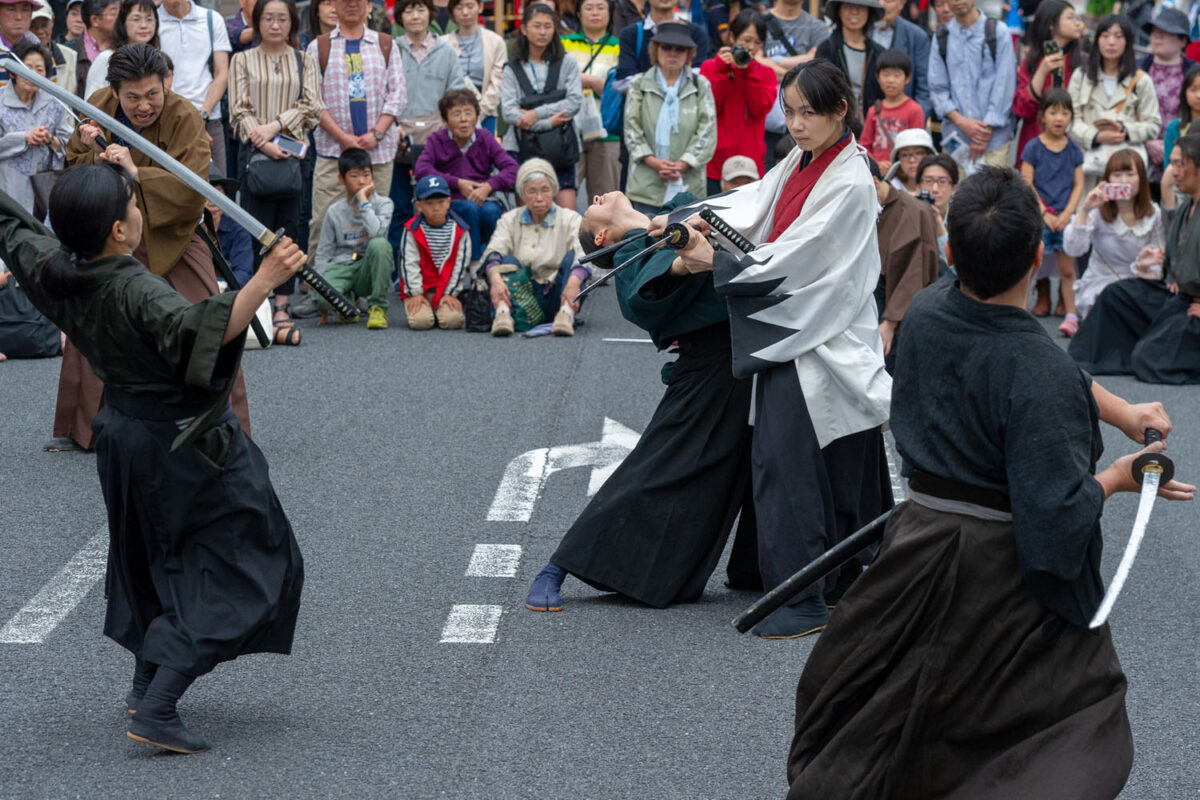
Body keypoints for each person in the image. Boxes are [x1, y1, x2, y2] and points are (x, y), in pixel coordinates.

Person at [785, 165, 1192, 800]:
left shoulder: (925, 312)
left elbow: (1023, 363)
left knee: (882, 711)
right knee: (1067, 721)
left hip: (917, 544)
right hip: (995, 572)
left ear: (950, 251)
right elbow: (1055, 530)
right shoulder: (1036, 370)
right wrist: (1115, 476)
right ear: (1039, 255)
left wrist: (1120, 410)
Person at [0, 164, 307, 754]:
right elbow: (201, 335)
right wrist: (265, 278)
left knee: (150, 556)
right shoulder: (132, 287)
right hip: (182, 442)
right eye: (133, 207)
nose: (141, 214)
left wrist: (108, 174)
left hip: (121, 434)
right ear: (118, 230)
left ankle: (146, 682)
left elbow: (13, 227)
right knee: (252, 562)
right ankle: (161, 703)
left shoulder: (56, 268)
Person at [660, 59, 893, 637]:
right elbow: (755, 203)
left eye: (808, 112)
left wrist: (713, 257)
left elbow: (801, 259)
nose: (796, 123)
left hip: (823, 331)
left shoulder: (850, 178)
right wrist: (680, 220)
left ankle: (799, 598)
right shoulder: (807, 160)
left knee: (784, 460)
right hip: (811, 328)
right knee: (831, 462)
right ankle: (836, 582)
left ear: (841, 110)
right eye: (788, 112)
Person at [524, 190, 758, 613]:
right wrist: (683, 247)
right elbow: (662, 276)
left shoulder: (668, 217)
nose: (596, 195)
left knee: (747, 467)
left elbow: (709, 203)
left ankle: (759, 570)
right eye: (592, 208)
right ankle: (559, 565)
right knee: (659, 466)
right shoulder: (632, 251)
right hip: (710, 369)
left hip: (747, 354)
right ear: (603, 237)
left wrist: (675, 221)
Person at [63, 43, 252, 449]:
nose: (144, 105)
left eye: (152, 94)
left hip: (176, 232)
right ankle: (88, 427)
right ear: (115, 92)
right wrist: (92, 154)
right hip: (111, 231)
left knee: (210, 318)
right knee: (96, 317)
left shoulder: (183, 115)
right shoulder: (96, 106)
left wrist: (136, 171)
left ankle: (223, 421)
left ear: (165, 83)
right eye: (132, 97)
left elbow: (192, 188)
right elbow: (72, 166)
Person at [1069, 131, 1200, 384]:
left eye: (1179, 164)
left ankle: (1157, 344)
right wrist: (1164, 263)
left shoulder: (1156, 212)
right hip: (1178, 296)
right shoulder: (1187, 207)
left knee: (1146, 358)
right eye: (1171, 164)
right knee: (1116, 295)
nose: (1172, 171)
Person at [229, 0, 322, 330]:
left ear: (292, 23)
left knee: (290, 227)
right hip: (254, 155)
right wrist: (264, 140)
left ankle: (283, 302)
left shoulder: (304, 60)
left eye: (283, 18)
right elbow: (238, 111)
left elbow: (312, 106)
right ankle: (260, 301)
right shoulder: (242, 59)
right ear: (257, 21)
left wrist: (276, 127)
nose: (275, 24)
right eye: (268, 18)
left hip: (294, 155)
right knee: (256, 225)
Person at [304, 0, 405, 265]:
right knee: (322, 221)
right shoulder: (319, 46)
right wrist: (343, 138)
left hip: (378, 154)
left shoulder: (385, 44)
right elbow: (313, 100)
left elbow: (397, 94)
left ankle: (369, 291)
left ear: (368, 5)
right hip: (332, 152)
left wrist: (377, 133)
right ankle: (320, 290)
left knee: (373, 222)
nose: (352, 3)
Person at [387, 0, 465, 243]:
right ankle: (398, 270)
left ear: (430, 13)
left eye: (420, 9)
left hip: (437, 141)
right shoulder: (391, 49)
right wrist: (392, 125)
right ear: (400, 17)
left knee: (438, 206)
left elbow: (457, 94)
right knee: (398, 206)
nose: (415, 16)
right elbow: (382, 91)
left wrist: (446, 127)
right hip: (399, 139)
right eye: (408, 10)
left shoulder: (446, 51)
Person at [483, 157, 586, 337]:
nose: (539, 198)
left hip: (557, 292)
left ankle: (566, 314)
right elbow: (494, 250)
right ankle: (503, 314)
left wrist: (574, 282)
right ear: (522, 195)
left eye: (545, 190)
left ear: (554, 191)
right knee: (506, 261)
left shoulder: (570, 219)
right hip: (521, 294)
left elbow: (584, 252)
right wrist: (495, 279)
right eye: (532, 191)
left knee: (575, 261)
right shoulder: (509, 219)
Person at [413, 87, 517, 262]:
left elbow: (512, 169)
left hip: (483, 198)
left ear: (476, 116)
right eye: (456, 114)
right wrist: (457, 183)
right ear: (445, 119)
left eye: (468, 113)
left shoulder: (485, 138)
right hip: (450, 201)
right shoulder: (436, 140)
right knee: (469, 209)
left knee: (492, 212)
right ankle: (475, 265)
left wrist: (489, 186)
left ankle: (496, 262)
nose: (463, 120)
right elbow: (421, 170)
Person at [623, 21, 715, 212]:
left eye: (680, 49)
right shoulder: (639, 83)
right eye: (666, 47)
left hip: (688, 185)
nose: (673, 53)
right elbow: (631, 128)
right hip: (646, 184)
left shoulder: (700, 84)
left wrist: (684, 163)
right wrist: (651, 161)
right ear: (655, 50)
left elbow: (707, 130)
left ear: (689, 53)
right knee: (646, 238)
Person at [1064, 148, 1164, 319]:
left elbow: (1160, 255)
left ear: (1141, 178)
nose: (1124, 181)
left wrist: (1145, 265)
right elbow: (1073, 249)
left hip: (1140, 282)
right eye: (1117, 175)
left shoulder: (1153, 213)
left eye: (1130, 174)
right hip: (1102, 284)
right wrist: (1084, 210)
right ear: (1108, 179)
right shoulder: (1097, 212)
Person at [499, 3, 581, 210]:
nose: (543, 32)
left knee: (568, 215)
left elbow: (574, 102)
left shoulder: (567, 63)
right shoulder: (512, 69)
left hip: (560, 146)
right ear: (524, 29)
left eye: (548, 26)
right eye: (537, 26)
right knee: (527, 215)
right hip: (520, 148)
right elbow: (509, 112)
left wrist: (535, 114)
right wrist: (549, 121)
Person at [1067, 15, 1161, 191]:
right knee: (1086, 213)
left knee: (1121, 215)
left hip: (1125, 171)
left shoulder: (1141, 81)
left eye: (1118, 36)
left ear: (1128, 41)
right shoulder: (1081, 76)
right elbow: (1070, 120)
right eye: (1105, 35)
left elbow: (1153, 124)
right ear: (1097, 39)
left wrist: (1125, 131)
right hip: (1085, 166)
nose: (1111, 42)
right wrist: (1095, 137)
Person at [1020, 89, 1084, 336]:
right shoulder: (1033, 147)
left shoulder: (1074, 150)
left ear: (1071, 117)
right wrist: (1044, 213)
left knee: (1068, 270)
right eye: (1053, 111)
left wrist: (1068, 213)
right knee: (1030, 267)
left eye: (1065, 112)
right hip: (1040, 217)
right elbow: (1027, 183)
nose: (1059, 117)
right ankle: (1019, 314)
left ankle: (1071, 317)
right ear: (1042, 116)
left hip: (1065, 218)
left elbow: (1078, 184)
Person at [927, 0, 1017, 170]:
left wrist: (983, 132)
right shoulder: (941, 37)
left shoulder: (998, 32)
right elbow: (937, 89)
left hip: (994, 140)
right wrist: (962, 122)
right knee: (955, 195)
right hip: (956, 139)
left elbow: (1004, 86)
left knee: (993, 195)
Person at [868, 156, 939, 370]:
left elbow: (917, 273)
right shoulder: (860, 207)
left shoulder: (915, 211)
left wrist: (890, 321)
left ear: (873, 183)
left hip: (897, 309)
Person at [699, 9, 776, 196]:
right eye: (746, 40)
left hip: (750, 165)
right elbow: (709, 108)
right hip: (715, 162)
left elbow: (759, 110)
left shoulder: (766, 74)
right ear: (732, 37)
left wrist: (747, 72)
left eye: (757, 42)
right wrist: (721, 70)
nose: (750, 47)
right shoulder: (711, 67)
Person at [313, 147, 393, 328]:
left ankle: (378, 307)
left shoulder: (384, 204)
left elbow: (376, 233)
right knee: (322, 298)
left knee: (380, 245)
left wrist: (364, 202)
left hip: (368, 267)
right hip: (342, 266)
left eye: (366, 175)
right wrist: (319, 286)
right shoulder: (334, 211)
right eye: (354, 176)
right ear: (341, 179)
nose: (362, 181)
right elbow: (324, 251)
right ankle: (348, 299)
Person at [157, 0, 231, 176]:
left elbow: (222, 74)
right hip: (166, 121)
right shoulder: (151, 21)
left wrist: (201, 117)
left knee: (216, 191)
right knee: (170, 186)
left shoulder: (212, 19)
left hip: (209, 118)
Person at [0, 40, 72, 213]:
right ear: (12, 72)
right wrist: (24, 138)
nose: (33, 74)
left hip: (46, 189)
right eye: (27, 68)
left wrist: (50, 140)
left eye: (39, 70)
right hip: (8, 188)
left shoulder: (54, 102)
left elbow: (69, 143)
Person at [1013, 0, 1082, 167]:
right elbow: (1022, 109)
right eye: (1070, 18)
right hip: (1035, 145)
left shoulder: (1081, 62)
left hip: (1070, 147)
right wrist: (1042, 71)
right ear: (1052, 24)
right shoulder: (1031, 62)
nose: (1077, 23)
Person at [563, 0, 620, 197]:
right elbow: (557, 82)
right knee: (565, 197)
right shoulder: (564, 44)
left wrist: (586, 80)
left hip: (607, 133)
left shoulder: (619, 47)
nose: (595, 12)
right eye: (588, 8)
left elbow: (620, 89)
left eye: (600, 7)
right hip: (568, 130)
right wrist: (599, 83)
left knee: (606, 201)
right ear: (578, 13)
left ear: (610, 12)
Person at [398, 174, 469, 329]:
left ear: (449, 202)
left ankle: (439, 307)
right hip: (420, 288)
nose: (436, 208)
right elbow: (409, 263)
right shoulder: (412, 229)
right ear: (419, 205)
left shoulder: (460, 229)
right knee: (421, 323)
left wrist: (450, 292)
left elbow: (460, 265)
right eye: (429, 203)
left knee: (453, 321)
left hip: (444, 287)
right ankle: (426, 307)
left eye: (441, 202)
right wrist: (415, 292)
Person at [1139, 7, 1194, 176]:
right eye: (1155, 31)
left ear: (1183, 41)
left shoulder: (1194, 74)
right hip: (1140, 155)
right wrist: (1146, 142)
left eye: (1165, 32)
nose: (1157, 37)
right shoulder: (1137, 69)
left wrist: (1173, 145)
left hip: (1185, 158)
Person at [815, 0, 884, 118]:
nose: (854, 12)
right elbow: (818, 91)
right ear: (839, 10)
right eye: (848, 6)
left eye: (861, 7)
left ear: (869, 11)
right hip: (836, 123)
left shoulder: (878, 52)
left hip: (871, 124)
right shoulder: (827, 49)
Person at [445, 0, 505, 133]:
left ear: (481, 7)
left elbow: (498, 83)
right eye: (459, 8)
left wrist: (477, 114)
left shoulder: (496, 42)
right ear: (452, 11)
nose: (465, 12)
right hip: (451, 114)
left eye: (470, 6)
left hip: (485, 112)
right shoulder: (443, 44)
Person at [614, 0, 708, 83]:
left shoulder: (696, 33)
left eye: (679, 49)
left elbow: (699, 76)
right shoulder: (631, 34)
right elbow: (625, 78)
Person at [860, 47, 924, 168]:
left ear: (908, 78)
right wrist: (876, 165)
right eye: (885, 74)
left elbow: (918, 147)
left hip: (904, 172)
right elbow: (864, 146)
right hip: (877, 173)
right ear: (878, 77)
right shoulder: (874, 110)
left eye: (896, 75)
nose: (890, 80)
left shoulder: (914, 110)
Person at [84, 0, 156, 101]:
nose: (144, 25)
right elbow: (91, 103)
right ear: (123, 23)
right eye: (136, 19)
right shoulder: (107, 58)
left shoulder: (158, 58)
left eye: (149, 19)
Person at [870, 0, 929, 116]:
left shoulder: (917, 37)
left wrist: (914, 123)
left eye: (888, 1)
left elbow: (924, 89)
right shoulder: (860, 32)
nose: (882, 5)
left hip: (905, 121)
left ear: (901, 4)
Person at [916, 150, 957, 272]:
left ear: (954, 189)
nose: (935, 189)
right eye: (928, 181)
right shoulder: (908, 215)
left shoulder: (963, 220)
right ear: (918, 186)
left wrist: (940, 228)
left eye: (942, 182)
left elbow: (957, 269)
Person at [66, 0, 117, 97]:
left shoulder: (123, 47)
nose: (120, 18)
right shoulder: (69, 50)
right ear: (95, 20)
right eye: (113, 13)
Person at [28, 2, 80, 96]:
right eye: (33, 26)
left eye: (44, 25)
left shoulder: (70, 56)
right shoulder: (16, 56)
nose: (39, 31)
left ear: (52, 21)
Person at [888, 126, 933, 193]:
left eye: (918, 153)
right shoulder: (890, 191)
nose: (912, 160)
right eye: (905, 155)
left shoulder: (942, 187)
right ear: (897, 159)